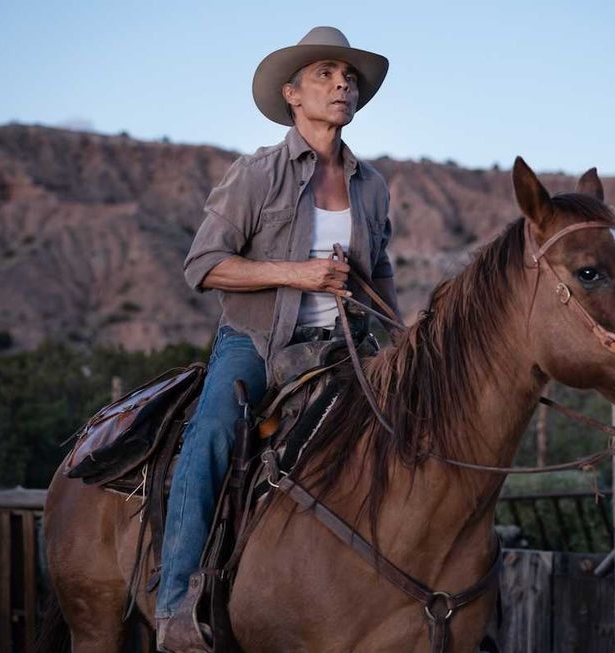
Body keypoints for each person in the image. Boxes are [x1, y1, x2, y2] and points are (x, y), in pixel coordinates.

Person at [156, 26, 398, 650]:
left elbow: (382, 272)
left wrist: (399, 343)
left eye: (349, 77)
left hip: (346, 347)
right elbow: (203, 265)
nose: (342, 83)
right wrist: (295, 273)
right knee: (211, 433)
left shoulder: (371, 185)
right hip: (258, 344)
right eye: (325, 73)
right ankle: (176, 603)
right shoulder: (256, 174)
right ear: (293, 94)